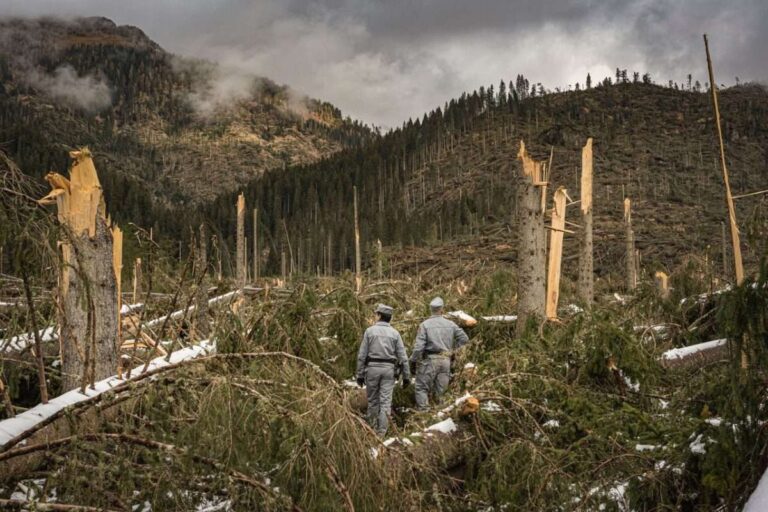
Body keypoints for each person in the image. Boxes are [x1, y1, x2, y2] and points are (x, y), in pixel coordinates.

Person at [356, 304, 410, 436]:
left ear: (379, 315)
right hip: (389, 371)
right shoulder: (395, 333)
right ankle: (381, 434)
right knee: (385, 403)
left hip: (372, 369)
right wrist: (406, 376)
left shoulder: (369, 331)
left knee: (373, 402)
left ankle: (371, 431)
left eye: (376, 314)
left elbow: (362, 355)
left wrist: (360, 374)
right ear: (390, 318)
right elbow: (403, 357)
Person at [410, 297, 469, 410]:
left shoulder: (425, 325)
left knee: (421, 388)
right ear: (442, 309)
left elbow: (418, 347)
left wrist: (413, 361)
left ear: (430, 309)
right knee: (442, 392)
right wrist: (454, 351)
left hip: (430, 360)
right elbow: (464, 339)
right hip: (446, 360)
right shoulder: (450, 324)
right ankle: (440, 417)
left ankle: (424, 415)